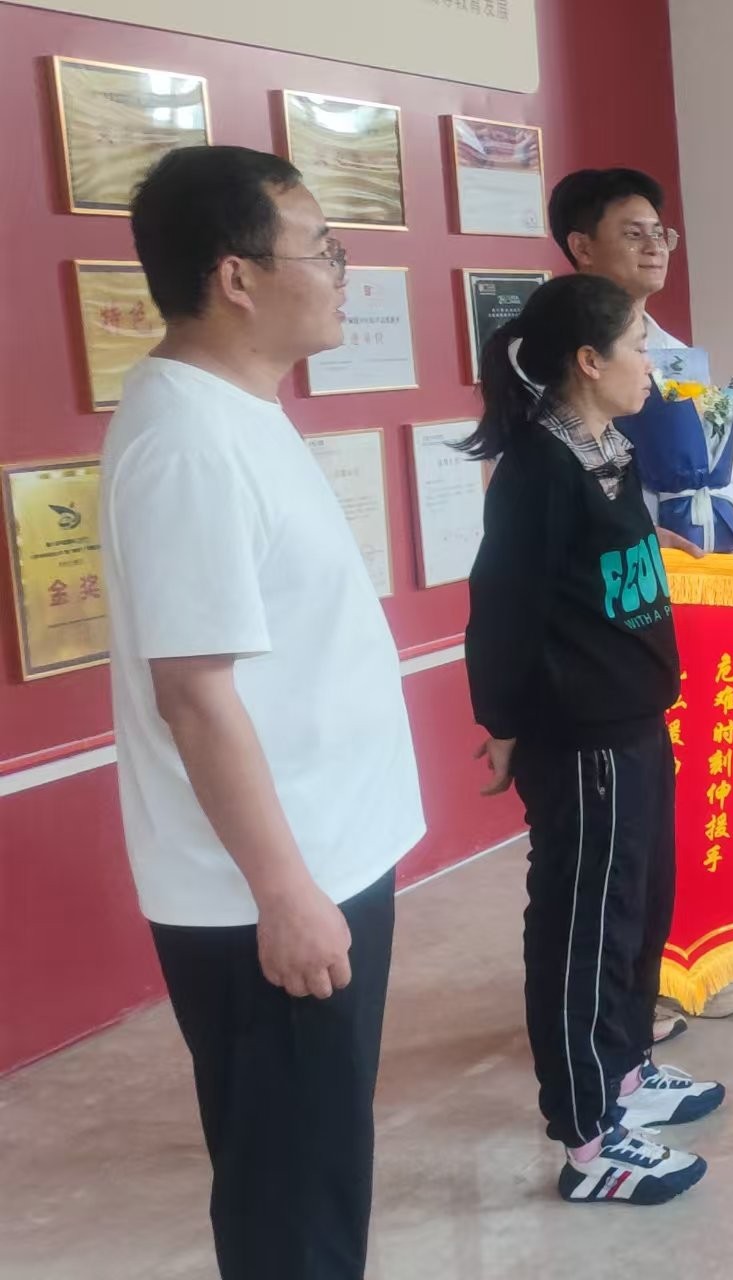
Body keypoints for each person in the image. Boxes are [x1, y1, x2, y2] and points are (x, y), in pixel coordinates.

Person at [100, 144, 423, 1280]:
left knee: (320, 1162)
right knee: (292, 1194)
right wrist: (284, 895)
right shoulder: (187, 443)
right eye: (321, 248)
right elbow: (194, 696)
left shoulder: (234, 410)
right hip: (270, 895)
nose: (341, 271)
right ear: (237, 276)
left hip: (323, 857)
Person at [463, 274, 726, 1205]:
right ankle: (586, 1139)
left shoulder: (605, 447)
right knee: (586, 930)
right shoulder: (538, 467)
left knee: (641, 911)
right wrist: (501, 722)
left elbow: (593, 566)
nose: (651, 365)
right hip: (582, 741)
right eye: (639, 347)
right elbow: (502, 605)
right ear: (588, 360)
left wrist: (658, 547)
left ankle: (624, 1071)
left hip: (635, 722)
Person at [549, 166, 733, 1030]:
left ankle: (690, 959)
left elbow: (715, 466)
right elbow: (553, 491)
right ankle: (621, 990)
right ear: (580, 246)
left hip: (688, 588)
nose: (654, 246)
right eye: (631, 232)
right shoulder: (550, 350)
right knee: (615, 821)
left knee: (691, 789)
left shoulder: (675, 352)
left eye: (659, 231)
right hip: (603, 611)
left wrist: (724, 521)